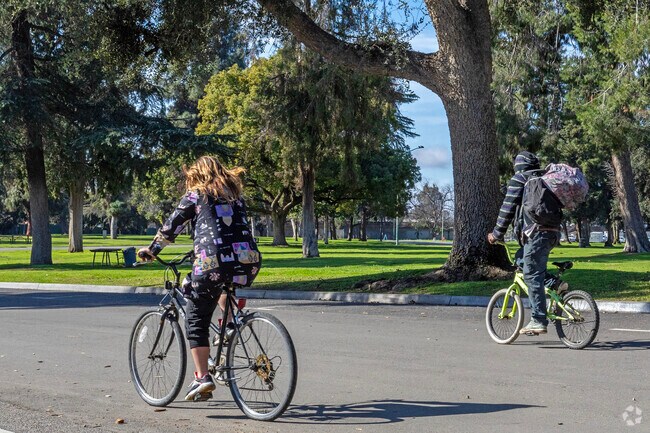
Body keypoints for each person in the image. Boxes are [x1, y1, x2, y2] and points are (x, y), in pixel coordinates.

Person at [138, 156, 261, 401]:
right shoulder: (236, 196)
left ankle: (202, 377)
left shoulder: (196, 194)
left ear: (197, 175)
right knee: (223, 285)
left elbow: (172, 227)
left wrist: (152, 250)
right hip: (248, 260)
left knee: (195, 314)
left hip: (213, 261)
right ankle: (232, 324)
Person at [487, 151, 561, 335]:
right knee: (521, 259)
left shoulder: (520, 179)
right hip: (553, 232)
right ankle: (553, 282)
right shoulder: (544, 178)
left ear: (518, 167)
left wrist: (496, 234)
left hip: (536, 233)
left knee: (532, 275)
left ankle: (538, 320)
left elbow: (507, 208)